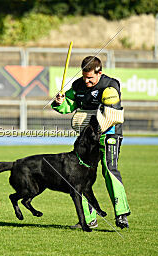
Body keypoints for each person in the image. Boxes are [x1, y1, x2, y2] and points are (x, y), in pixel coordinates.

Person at [51, 56, 130, 229]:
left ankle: (121, 214)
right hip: (87, 139)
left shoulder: (110, 85)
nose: (86, 81)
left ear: (99, 73)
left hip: (109, 134)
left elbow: (112, 113)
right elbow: (67, 106)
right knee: (82, 175)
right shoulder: (78, 85)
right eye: (84, 77)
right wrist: (59, 102)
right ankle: (88, 219)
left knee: (109, 170)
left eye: (90, 78)